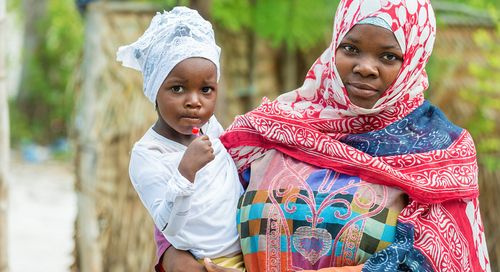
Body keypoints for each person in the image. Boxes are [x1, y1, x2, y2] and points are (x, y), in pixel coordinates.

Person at [160, 0, 491, 271]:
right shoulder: (270, 130)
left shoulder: (439, 151)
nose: (364, 66)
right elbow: (193, 203)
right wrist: (174, 259)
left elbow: (442, 255)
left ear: (414, 61)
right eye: (351, 48)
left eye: (388, 56)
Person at [116, 7, 245, 271]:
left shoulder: (212, 128)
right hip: (204, 263)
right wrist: (186, 171)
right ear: (154, 89)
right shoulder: (149, 154)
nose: (194, 102)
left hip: (250, 255)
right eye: (177, 88)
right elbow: (168, 227)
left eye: (206, 89)